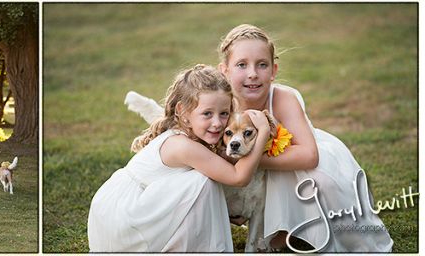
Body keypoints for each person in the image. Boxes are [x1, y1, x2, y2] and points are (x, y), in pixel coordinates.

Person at [217, 24, 393, 252]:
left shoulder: (282, 98)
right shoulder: (221, 102)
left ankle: (286, 229)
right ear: (225, 70)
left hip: (293, 162)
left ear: (273, 70)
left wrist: (246, 160)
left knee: (323, 184)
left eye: (262, 65)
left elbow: (309, 156)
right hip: (255, 167)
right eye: (242, 65)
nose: (252, 73)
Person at [87, 64, 271, 252]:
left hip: (126, 212)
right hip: (124, 221)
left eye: (223, 113)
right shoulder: (183, 145)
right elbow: (238, 177)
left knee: (206, 177)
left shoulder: (189, 133)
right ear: (182, 111)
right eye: (207, 113)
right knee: (204, 180)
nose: (217, 123)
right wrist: (263, 132)